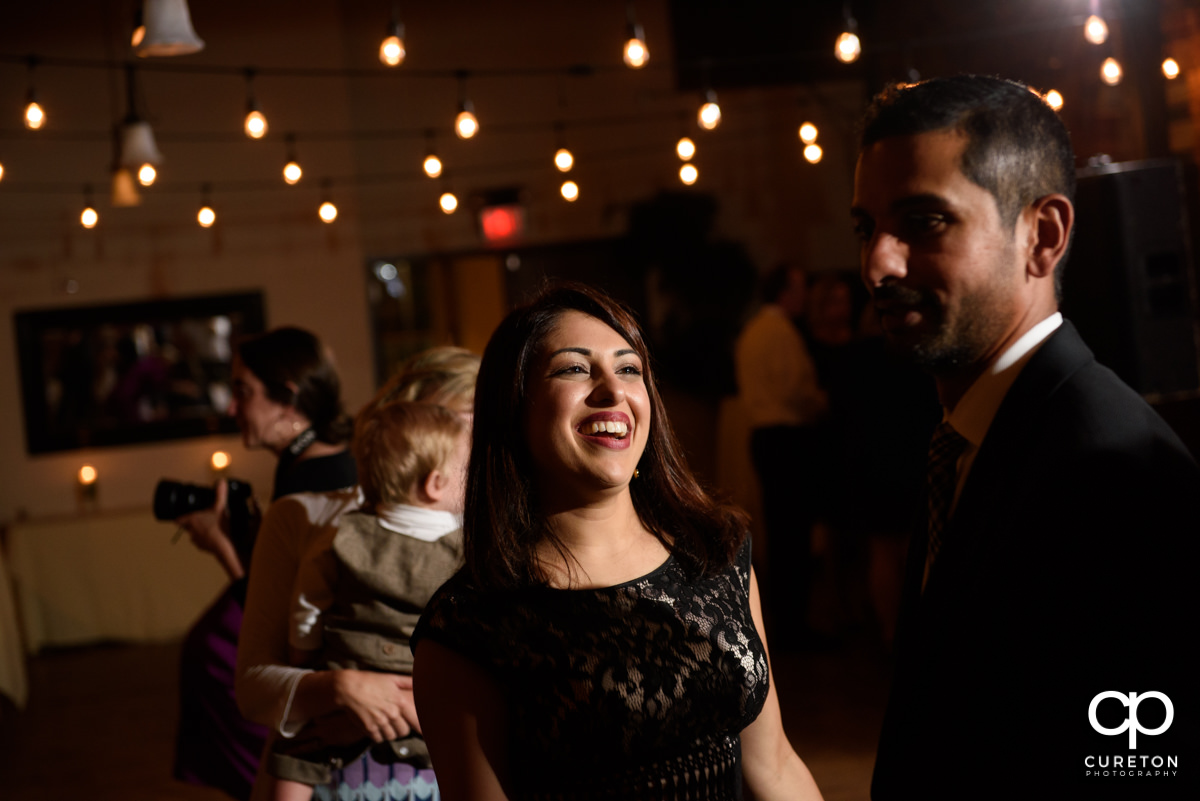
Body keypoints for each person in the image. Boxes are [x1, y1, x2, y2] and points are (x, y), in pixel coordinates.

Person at [850, 75, 1199, 798]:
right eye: (867, 227)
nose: (877, 263)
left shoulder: (1118, 474)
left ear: (1042, 236)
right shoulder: (965, 437)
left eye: (924, 221)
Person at [412, 283, 825, 801]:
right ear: (513, 407)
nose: (613, 391)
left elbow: (776, 765)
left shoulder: (715, 552)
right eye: (574, 369)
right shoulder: (469, 626)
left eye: (629, 369)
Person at [236, 346, 479, 801]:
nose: (475, 442)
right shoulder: (303, 517)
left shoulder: (489, 538)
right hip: (328, 783)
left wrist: (399, 709)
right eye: (460, 422)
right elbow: (253, 687)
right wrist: (340, 688)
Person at [175, 327, 357, 801]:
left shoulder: (315, 482)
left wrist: (221, 547)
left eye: (243, 391)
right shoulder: (317, 463)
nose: (232, 408)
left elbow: (275, 626)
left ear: (287, 398)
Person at [733, 262, 829, 649]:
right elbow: (797, 391)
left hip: (764, 437)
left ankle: (786, 621)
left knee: (781, 529)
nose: (805, 297)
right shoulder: (781, 332)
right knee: (793, 533)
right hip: (787, 439)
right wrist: (823, 402)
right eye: (801, 288)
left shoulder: (752, 331)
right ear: (785, 292)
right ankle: (795, 625)